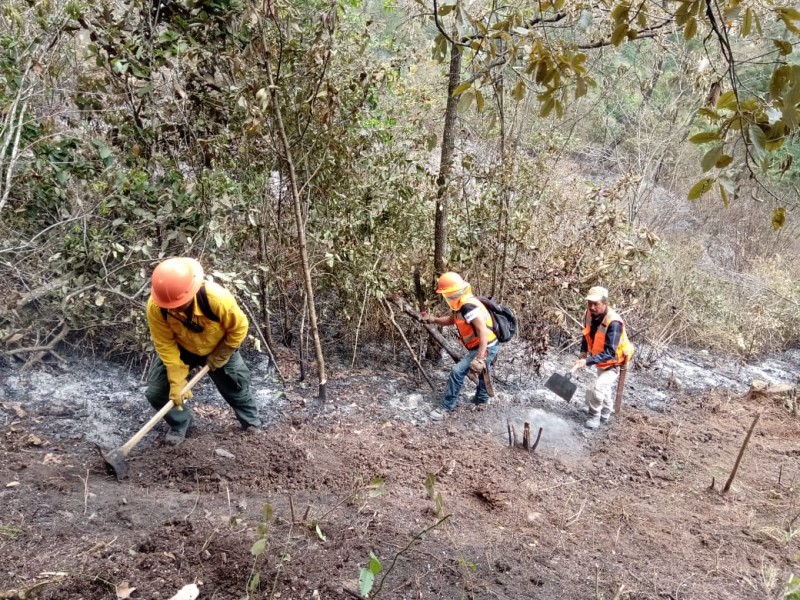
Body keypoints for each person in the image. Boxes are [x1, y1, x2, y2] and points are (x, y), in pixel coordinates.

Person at [145, 257, 262, 445]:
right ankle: (181, 423)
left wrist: (223, 353)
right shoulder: (157, 307)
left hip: (218, 347)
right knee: (157, 392)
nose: (174, 308)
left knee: (236, 384)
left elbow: (239, 327)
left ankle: (252, 424)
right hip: (181, 348)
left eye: (178, 304)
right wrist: (176, 380)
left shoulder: (216, 298)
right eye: (170, 306)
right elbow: (164, 343)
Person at [423, 272, 500, 421]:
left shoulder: (468, 306)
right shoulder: (460, 304)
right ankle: (482, 399)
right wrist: (432, 319)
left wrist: (480, 356)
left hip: (487, 344)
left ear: (450, 292)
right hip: (484, 344)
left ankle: (446, 407)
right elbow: (452, 320)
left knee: (457, 371)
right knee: (484, 370)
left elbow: (483, 331)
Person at [571, 286, 634, 429]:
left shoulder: (614, 323)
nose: (592, 307)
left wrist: (586, 361)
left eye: (596, 304)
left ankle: (594, 416)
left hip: (614, 363)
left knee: (597, 388)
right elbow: (586, 333)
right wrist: (583, 351)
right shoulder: (589, 314)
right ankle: (605, 414)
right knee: (603, 389)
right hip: (600, 359)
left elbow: (610, 353)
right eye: (589, 303)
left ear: (604, 303)